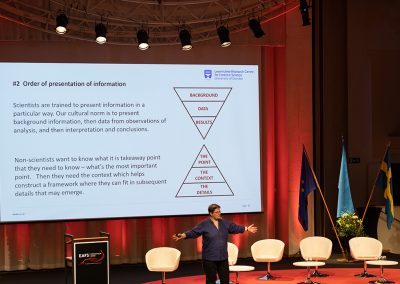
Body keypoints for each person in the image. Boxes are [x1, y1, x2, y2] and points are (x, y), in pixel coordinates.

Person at [172, 203, 257, 284]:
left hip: (223, 257)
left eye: (220, 211)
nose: (219, 213)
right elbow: (194, 232)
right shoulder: (204, 224)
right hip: (209, 258)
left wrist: (246, 228)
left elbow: (235, 228)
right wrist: (183, 235)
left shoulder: (224, 223)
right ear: (211, 213)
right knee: (211, 280)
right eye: (216, 212)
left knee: (225, 280)